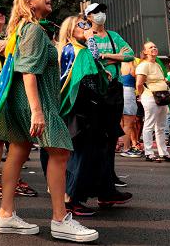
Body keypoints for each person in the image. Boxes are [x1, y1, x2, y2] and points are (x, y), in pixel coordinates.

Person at [0, 0, 97, 242]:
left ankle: (6, 214)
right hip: (37, 102)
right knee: (60, 152)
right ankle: (60, 219)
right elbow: (28, 72)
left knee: (18, 150)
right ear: (28, 2)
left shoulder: (25, 30)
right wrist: (38, 112)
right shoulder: (34, 31)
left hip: (25, 101)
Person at [57, 15, 120, 217]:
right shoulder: (77, 50)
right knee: (80, 155)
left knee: (89, 153)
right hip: (81, 109)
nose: (87, 27)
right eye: (81, 25)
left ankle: (88, 194)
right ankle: (70, 200)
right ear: (70, 30)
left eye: (87, 24)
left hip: (83, 108)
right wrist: (91, 40)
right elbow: (87, 76)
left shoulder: (73, 49)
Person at [0, 3, 37, 199]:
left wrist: (12, 41)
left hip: (11, 91)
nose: (0, 15)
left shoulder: (6, 37)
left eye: (2, 12)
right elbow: (3, 50)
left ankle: (13, 180)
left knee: (16, 137)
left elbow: (12, 48)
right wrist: (18, 39)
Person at [85, 2, 132, 189]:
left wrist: (107, 56)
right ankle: (96, 174)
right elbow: (90, 58)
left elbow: (129, 54)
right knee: (96, 134)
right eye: (95, 12)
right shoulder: (86, 36)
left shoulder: (114, 35)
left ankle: (110, 174)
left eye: (102, 11)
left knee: (112, 132)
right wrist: (113, 56)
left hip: (114, 88)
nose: (100, 14)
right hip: (95, 88)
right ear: (88, 16)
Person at [136, 42, 170, 162]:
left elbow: (162, 79)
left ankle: (163, 152)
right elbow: (139, 84)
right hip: (150, 97)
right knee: (149, 124)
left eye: (155, 46)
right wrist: (142, 95)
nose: (154, 48)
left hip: (162, 97)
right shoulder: (143, 65)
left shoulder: (157, 64)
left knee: (161, 126)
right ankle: (149, 152)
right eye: (150, 47)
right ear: (145, 52)